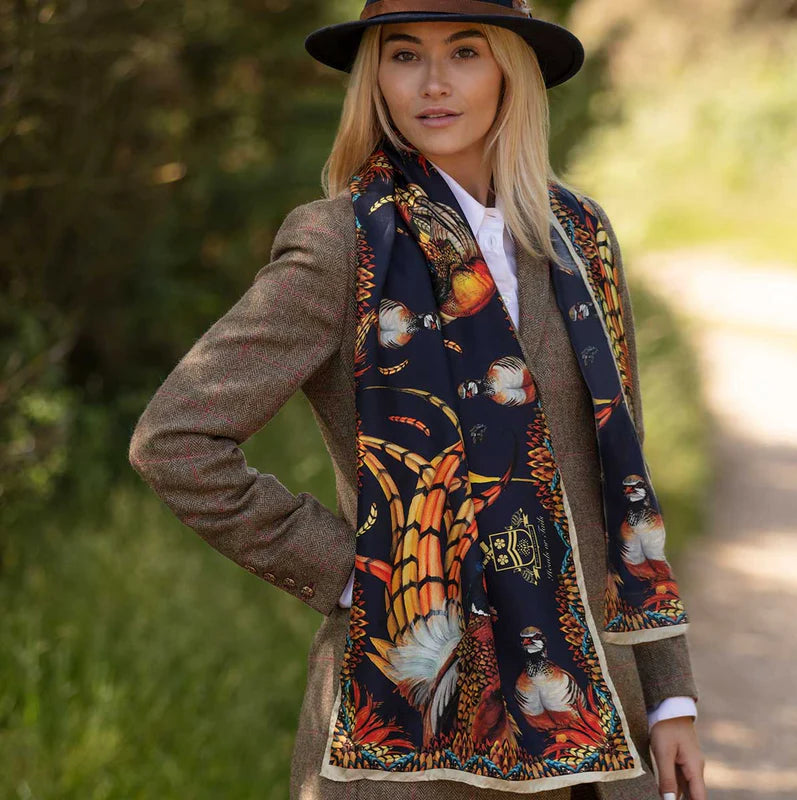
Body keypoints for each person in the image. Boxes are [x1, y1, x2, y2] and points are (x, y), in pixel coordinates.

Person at [128, 2, 707, 799]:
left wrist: (671, 693)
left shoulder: (579, 238)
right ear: (376, 80)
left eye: (464, 52)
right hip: (411, 733)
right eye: (404, 56)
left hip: (597, 730)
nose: (433, 83)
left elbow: (625, 483)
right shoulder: (343, 244)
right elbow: (176, 439)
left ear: (512, 69)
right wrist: (353, 573)